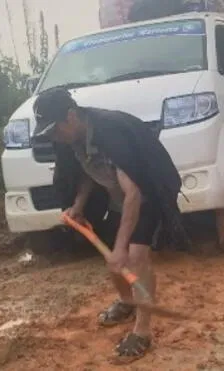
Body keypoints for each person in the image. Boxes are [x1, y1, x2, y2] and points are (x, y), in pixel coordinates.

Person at [32, 87, 189, 359]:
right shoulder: (74, 140)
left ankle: (142, 331)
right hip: (119, 196)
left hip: (147, 192)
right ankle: (128, 301)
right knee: (114, 261)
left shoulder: (109, 132)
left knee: (134, 256)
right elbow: (88, 172)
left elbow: (134, 194)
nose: (54, 137)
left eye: (55, 129)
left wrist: (120, 248)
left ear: (70, 116)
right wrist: (79, 205)